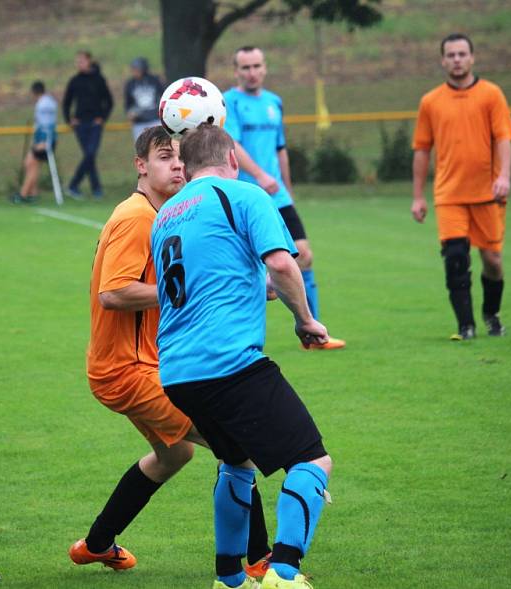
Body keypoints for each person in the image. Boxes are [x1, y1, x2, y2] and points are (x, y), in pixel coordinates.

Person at [70, 126, 273, 578]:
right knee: (234, 445)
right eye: (165, 157)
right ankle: (262, 560)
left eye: (181, 157)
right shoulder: (137, 217)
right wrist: (189, 289)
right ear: (141, 165)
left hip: (138, 365)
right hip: (127, 369)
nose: (177, 165)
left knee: (174, 455)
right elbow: (114, 293)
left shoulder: (166, 215)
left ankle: (98, 544)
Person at [151, 124, 334, 589]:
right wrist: (305, 320)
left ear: (186, 169)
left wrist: (258, 290)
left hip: (177, 369)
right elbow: (281, 261)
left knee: (236, 464)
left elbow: (200, 282)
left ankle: (229, 579)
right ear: (232, 159)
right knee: (312, 461)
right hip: (227, 362)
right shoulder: (245, 195)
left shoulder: (167, 214)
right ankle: (284, 572)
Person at [223, 46, 344, 350]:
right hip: (247, 195)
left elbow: (280, 148)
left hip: (277, 196)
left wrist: (285, 185)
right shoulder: (230, 102)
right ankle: (234, 337)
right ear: (236, 71)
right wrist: (261, 176)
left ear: (265, 68)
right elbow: (232, 144)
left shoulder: (274, 102)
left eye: (256, 66)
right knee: (244, 267)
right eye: (245, 67)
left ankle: (313, 332)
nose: (252, 72)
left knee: (303, 255)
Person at [411, 33, 511, 340]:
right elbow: (421, 149)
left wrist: (504, 176)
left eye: (462, 54)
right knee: (456, 258)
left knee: (493, 261)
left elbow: (504, 138)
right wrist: (418, 196)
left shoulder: (491, 94)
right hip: (449, 195)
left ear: (472, 58)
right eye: (451, 55)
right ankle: (466, 326)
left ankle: (491, 314)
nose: (456, 60)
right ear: (443, 60)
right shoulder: (430, 101)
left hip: (488, 194)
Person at [62, 50, 113, 200]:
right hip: (80, 124)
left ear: (89, 61)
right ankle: (95, 189)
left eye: (82, 61)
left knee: (90, 154)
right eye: (77, 61)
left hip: (95, 124)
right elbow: (66, 103)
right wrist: (69, 119)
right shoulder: (75, 81)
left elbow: (109, 101)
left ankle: (74, 185)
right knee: (89, 155)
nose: (79, 64)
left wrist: (102, 118)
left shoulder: (99, 79)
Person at [12, 80, 58, 204]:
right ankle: (33, 193)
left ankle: (23, 194)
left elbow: (46, 125)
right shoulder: (49, 102)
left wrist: (43, 141)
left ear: (34, 92)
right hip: (45, 139)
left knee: (32, 164)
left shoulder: (43, 105)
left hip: (45, 141)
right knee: (29, 163)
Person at [124, 57, 164, 141]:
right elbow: (128, 103)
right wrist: (129, 113)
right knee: (141, 150)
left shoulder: (155, 80)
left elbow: (163, 97)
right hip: (139, 121)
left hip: (155, 119)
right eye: (133, 69)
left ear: (143, 68)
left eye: (136, 69)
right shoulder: (130, 84)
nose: (134, 71)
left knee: (159, 145)